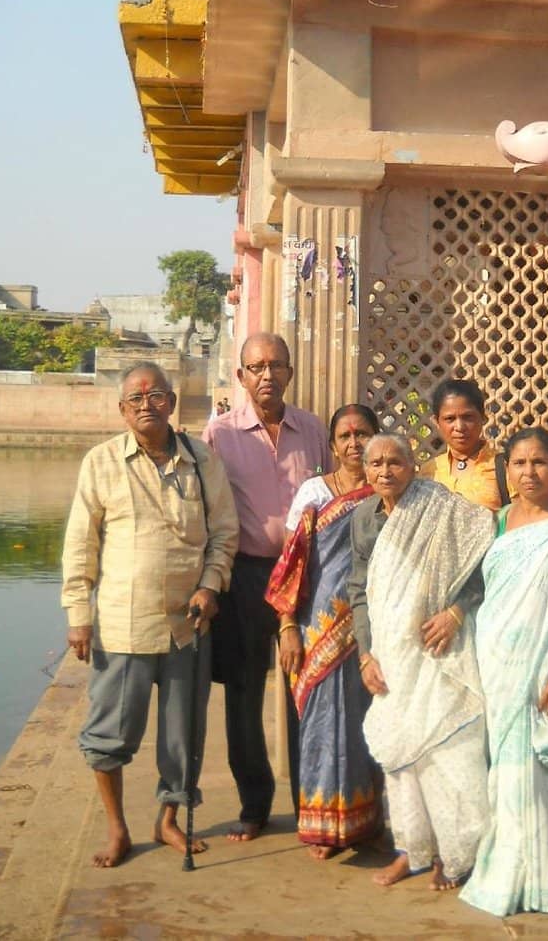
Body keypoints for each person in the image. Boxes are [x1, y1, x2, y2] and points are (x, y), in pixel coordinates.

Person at [61, 361, 238, 867]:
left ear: (172, 402)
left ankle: (167, 821)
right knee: (110, 735)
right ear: (122, 410)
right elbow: (81, 544)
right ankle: (117, 827)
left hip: (189, 623)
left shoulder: (202, 460)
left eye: (155, 396)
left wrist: (211, 585)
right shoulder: (100, 463)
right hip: (123, 623)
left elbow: (225, 532)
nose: (146, 405)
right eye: (135, 399)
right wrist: (79, 613)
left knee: (184, 735)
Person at [462, 428, 548, 918]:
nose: (528, 473)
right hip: (500, 668)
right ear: (507, 469)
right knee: (505, 770)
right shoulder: (499, 521)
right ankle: (507, 872)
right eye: (519, 464)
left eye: (539, 463)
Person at [347, 432, 495, 891]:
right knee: (401, 753)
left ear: (414, 466)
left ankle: (457, 853)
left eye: (395, 462)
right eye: (376, 463)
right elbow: (358, 589)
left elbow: (485, 557)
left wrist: (455, 612)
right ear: (365, 469)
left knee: (447, 749)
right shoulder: (364, 518)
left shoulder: (444, 507)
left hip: (439, 649)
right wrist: (366, 653)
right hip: (390, 654)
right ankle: (412, 850)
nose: (385, 471)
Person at [202, 331, 331, 842]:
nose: (267, 375)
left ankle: (308, 804)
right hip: (247, 575)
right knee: (244, 691)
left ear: (290, 373)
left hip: (305, 576)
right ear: (241, 376)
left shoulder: (314, 431)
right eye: (256, 367)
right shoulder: (219, 435)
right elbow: (209, 511)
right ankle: (254, 805)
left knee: (306, 689)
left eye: (276, 365)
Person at [264, 404, 383, 859]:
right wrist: (287, 625)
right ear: (332, 446)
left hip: (373, 629)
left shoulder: (387, 491)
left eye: (363, 433)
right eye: (346, 435)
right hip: (318, 627)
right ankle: (323, 828)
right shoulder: (315, 492)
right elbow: (290, 564)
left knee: (366, 723)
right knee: (320, 724)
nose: (355, 443)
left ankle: (364, 821)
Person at [426, 377, 511, 511]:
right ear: (437, 422)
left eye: (468, 417)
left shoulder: (505, 468)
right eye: (450, 419)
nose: (459, 427)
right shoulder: (429, 471)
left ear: (483, 418)